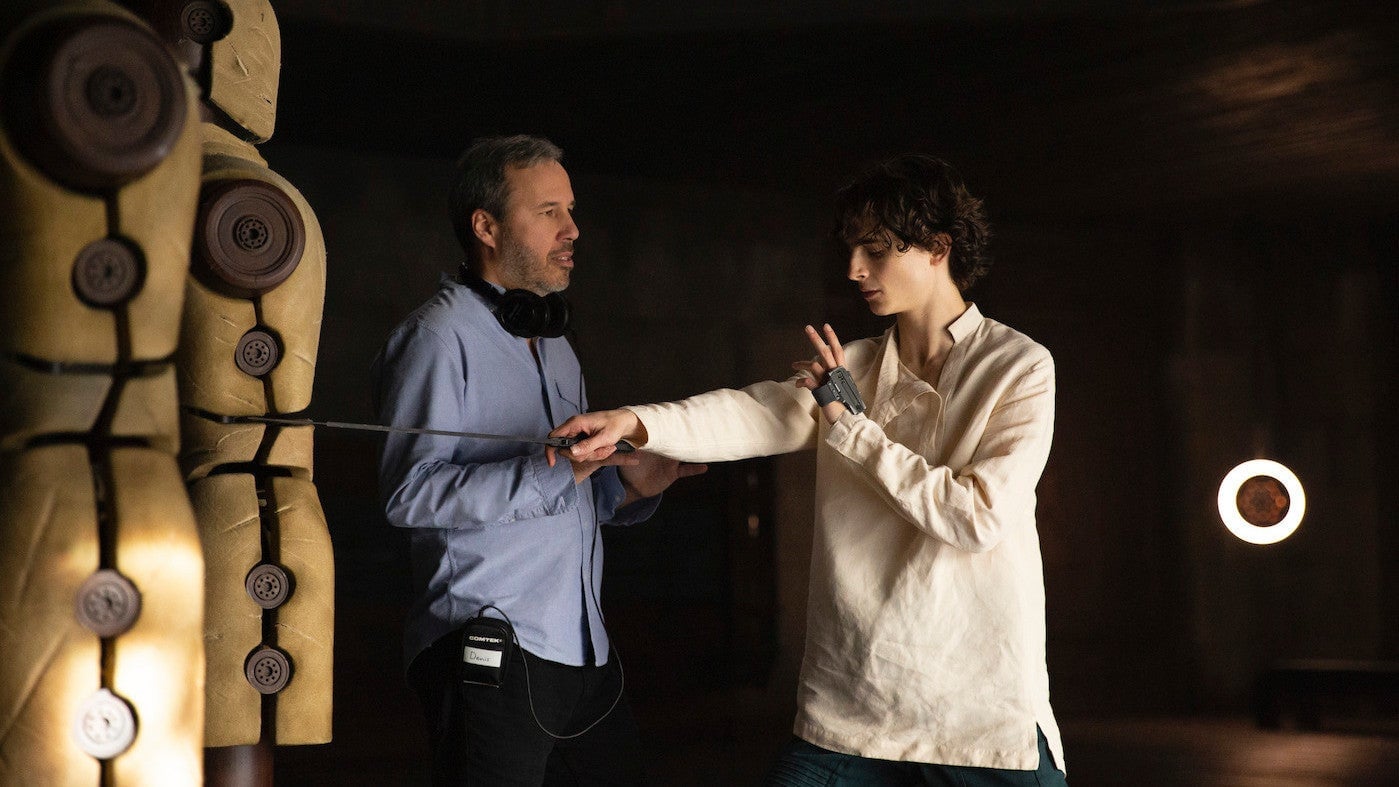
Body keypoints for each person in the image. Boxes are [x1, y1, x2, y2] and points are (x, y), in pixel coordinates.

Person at [553, 155, 1068, 785]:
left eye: (875, 250)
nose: (855, 269)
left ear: (938, 247)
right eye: (852, 249)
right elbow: (754, 413)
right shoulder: (848, 366)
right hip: (853, 701)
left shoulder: (1019, 366)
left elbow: (977, 516)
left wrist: (851, 424)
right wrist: (632, 421)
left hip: (975, 710)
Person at [373, 134, 704, 785]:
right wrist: (557, 469)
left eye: (569, 209)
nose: (572, 228)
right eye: (549, 210)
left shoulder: (556, 347)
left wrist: (632, 487)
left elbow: (560, 495)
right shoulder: (437, 338)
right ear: (486, 226)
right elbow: (407, 496)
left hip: (582, 650)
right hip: (488, 649)